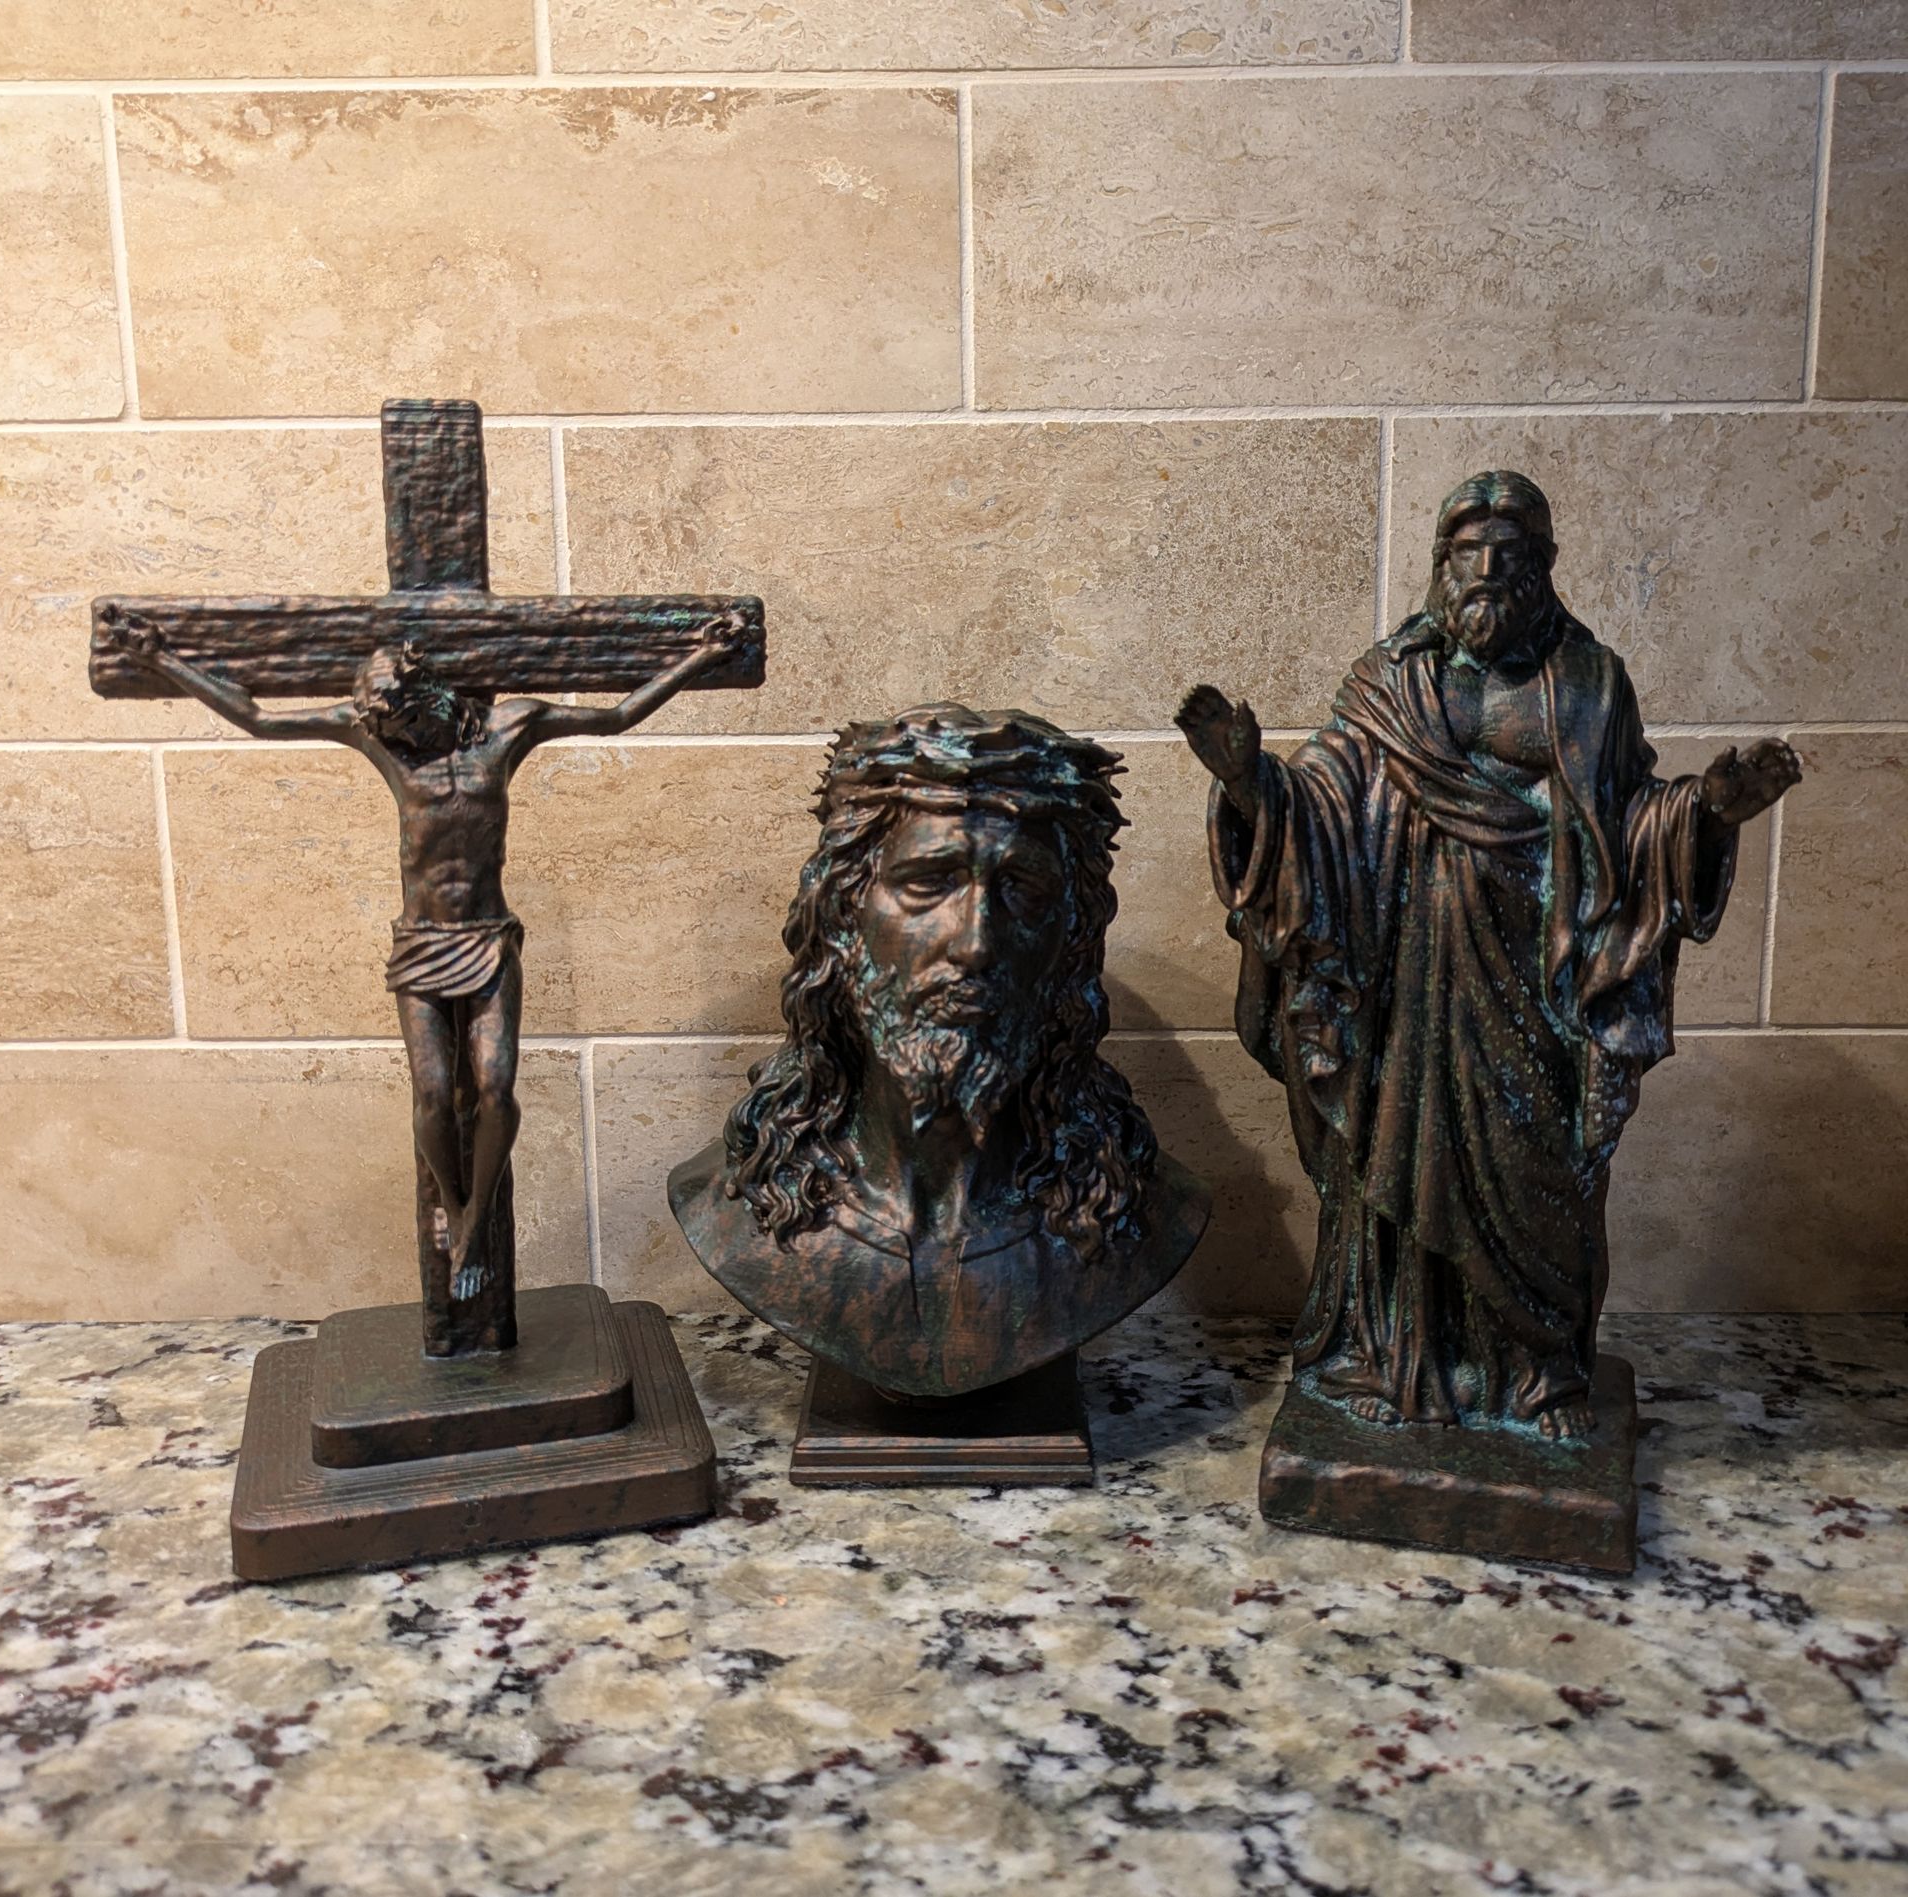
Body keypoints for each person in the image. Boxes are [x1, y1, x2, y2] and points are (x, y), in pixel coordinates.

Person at [1177, 471, 1800, 1439]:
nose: (1487, 572)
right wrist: (1252, 783)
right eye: (1468, 553)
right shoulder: (1390, 684)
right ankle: (1393, 1358)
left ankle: (1537, 1375)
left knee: (1538, 1179)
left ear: (1542, 570)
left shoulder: (1589, 684)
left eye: (1509, 555)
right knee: (1395, 1171)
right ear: (1442, 566)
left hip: (1537, 979)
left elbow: (1631, 820)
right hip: (1405, 984)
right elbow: (1322, 804)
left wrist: (1707, 812)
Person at [115, 616, 737, 1314]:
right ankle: (453, 1203)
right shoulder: (378, 738)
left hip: (488, 938)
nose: (397, 736)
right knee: (435, 1094)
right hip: (420, 943)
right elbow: (259, 719)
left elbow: (617, 716)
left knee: (496, 1089)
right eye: (386, 726)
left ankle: (475, 1221)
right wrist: (163, 661)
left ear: (429, 692)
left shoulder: (509, 729)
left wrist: (701, 655)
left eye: (405, 720)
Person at [670, 704, 1207, 1398]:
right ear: (843, 918)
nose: (975, 943)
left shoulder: (1134, 1208)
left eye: (1022, 890)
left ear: (1072, 937)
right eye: (929, 883)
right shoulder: (738, 1198)